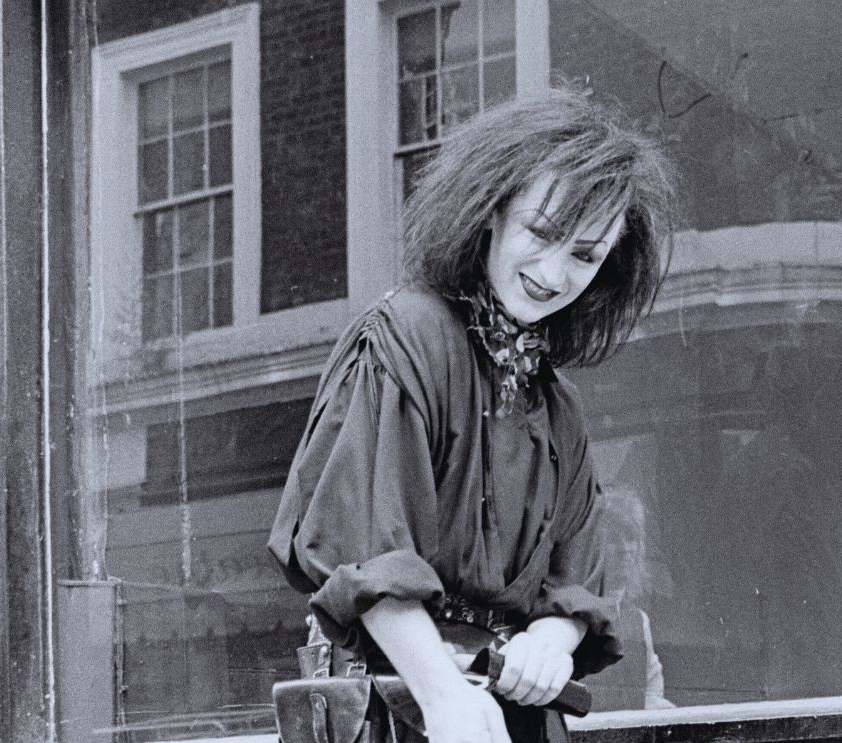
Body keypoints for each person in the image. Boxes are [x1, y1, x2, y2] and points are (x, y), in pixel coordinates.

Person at [268, 89, 677, 743]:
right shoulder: (407, 334)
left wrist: (549, 639)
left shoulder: (557, 404)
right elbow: (372, 556)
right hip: (402, 713)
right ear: (491, 212)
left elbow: (576, 583)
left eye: (585, 254)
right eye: (540, 233)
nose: (552, 271)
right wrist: (443, 698)